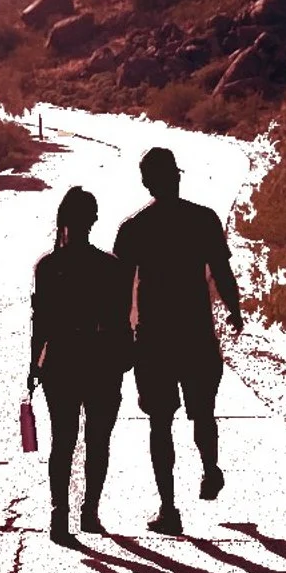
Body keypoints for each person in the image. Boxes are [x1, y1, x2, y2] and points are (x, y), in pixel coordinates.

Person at [114, 146, 242, 537]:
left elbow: (120, 287)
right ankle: (210, 468)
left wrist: (120, 333)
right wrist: (234, 311)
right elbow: (221, 271)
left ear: (147, 182)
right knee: (203, 412)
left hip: (154, 338)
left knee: (160, 422)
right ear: (177, 176)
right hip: (196, 333)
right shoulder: (203, 220)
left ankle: (169, 508)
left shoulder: (135, 228)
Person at [28, 185, 134, 548]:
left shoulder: (48, 267)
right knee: (97, 440)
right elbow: (122, 323)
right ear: (93, 221)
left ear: (63, 221)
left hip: (60, 361)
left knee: (63, 440)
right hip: (101, 360)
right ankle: (89, 510)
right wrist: (125, 359)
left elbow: (39, 322)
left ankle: (59, 513)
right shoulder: (110, 268)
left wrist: (33, 365)